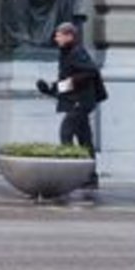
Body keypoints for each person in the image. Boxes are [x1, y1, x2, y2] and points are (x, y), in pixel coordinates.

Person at [37, 21, 103, 167]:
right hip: (78, 101)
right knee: (84, 138)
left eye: (59, 36)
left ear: (69, 36)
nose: (56, 39)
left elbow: (89, 72)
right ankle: (89, 176)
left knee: (66, 132)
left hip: (79, 102)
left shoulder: (76, 52)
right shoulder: (68, 53)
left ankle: (70, 169)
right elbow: (68, 81)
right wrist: (49, 88)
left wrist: (67, 83)